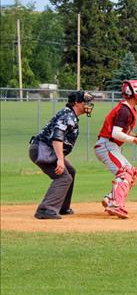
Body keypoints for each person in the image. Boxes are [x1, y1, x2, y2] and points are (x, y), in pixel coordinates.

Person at [29, 91, 94, 219]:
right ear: (76, 102)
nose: (89, 105)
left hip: (46, 149)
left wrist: (61, 158)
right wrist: (60, 160)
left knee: (71, 171)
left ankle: (63, 207)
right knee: (64, 177)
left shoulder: (71, 115)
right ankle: (46, 209)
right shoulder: (67, 115)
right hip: (42, 150)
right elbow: (57, 137)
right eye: (85, 101)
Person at [94, 80, 137, 219]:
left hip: (110, 145)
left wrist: (135, 136)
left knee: (132, 173)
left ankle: (110, 198)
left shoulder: (128, 109)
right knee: (125, 172)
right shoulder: (125, 110)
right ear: (132, 92)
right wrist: (135, 140)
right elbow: (115, 133)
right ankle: (115, 204)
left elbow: (120, 131)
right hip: (107, 145)